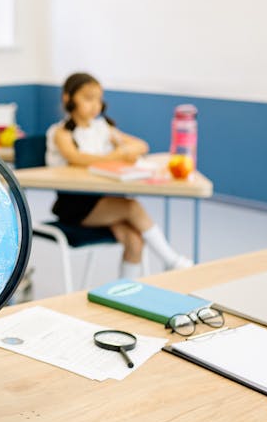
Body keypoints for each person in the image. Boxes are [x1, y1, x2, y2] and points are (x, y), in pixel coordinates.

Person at [45, 72, 193, 277]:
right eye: (88, 98)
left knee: (134, 240)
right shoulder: (60, 132)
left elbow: (141, 145)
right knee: (131, 207)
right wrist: (118, 154)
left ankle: (124, 293)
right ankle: (170, 260)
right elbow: (76, 158)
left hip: (104, 199)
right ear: (68, 98)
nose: (95, 105)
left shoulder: (102, 128)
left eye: (98, 99)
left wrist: (123, 152)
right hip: (75, 205)